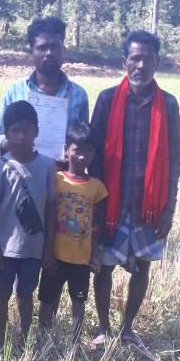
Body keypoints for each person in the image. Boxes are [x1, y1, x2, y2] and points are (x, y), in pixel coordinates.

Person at [89, 29, 180, 348]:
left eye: (148, 59)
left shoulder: (168, 104)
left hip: (148, 205)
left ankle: (127, 329)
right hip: (111, 203)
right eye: (135, 58)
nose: (141, 65)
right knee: (103, 268)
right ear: (124, 61)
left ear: (157, 62)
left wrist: (169, 208)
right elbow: (94, 155)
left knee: (142, 267)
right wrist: (97, 205)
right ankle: (103, 327)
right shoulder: (106, 100)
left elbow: (175, 157)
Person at [0, 100, 56, 347]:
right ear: (6, 134)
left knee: (26, 294)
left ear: (36, 131)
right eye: (15, 131)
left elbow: (51, 208)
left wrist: (48, 248)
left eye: (27, 130)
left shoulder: (47, 166)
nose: (22, 136)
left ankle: (25, 339)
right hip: (5, 247)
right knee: (2, 293)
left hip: (34, 248)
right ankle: (0, 340)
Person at [38, 122, 107, 344]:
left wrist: (95, 254)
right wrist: (46, 252)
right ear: (66, 150)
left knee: (78, 301)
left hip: (81, 259)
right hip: (55, 256)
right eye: (77, 150)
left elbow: (97, 225)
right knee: (47, 299)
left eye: (89, 151)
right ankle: (43, 338)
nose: (82, 156)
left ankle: (74, 343)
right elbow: (47, 218)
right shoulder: (56, 179)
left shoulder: (96, 187)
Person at [0, 17, 89, 157]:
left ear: (63, 50)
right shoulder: (15, 92)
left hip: (62, 170)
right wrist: (15, 140)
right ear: (31, 51)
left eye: (55, 47)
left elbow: (84, 140)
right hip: (23, 169)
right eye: (42, 48)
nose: (49, 53)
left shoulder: (79, 95)